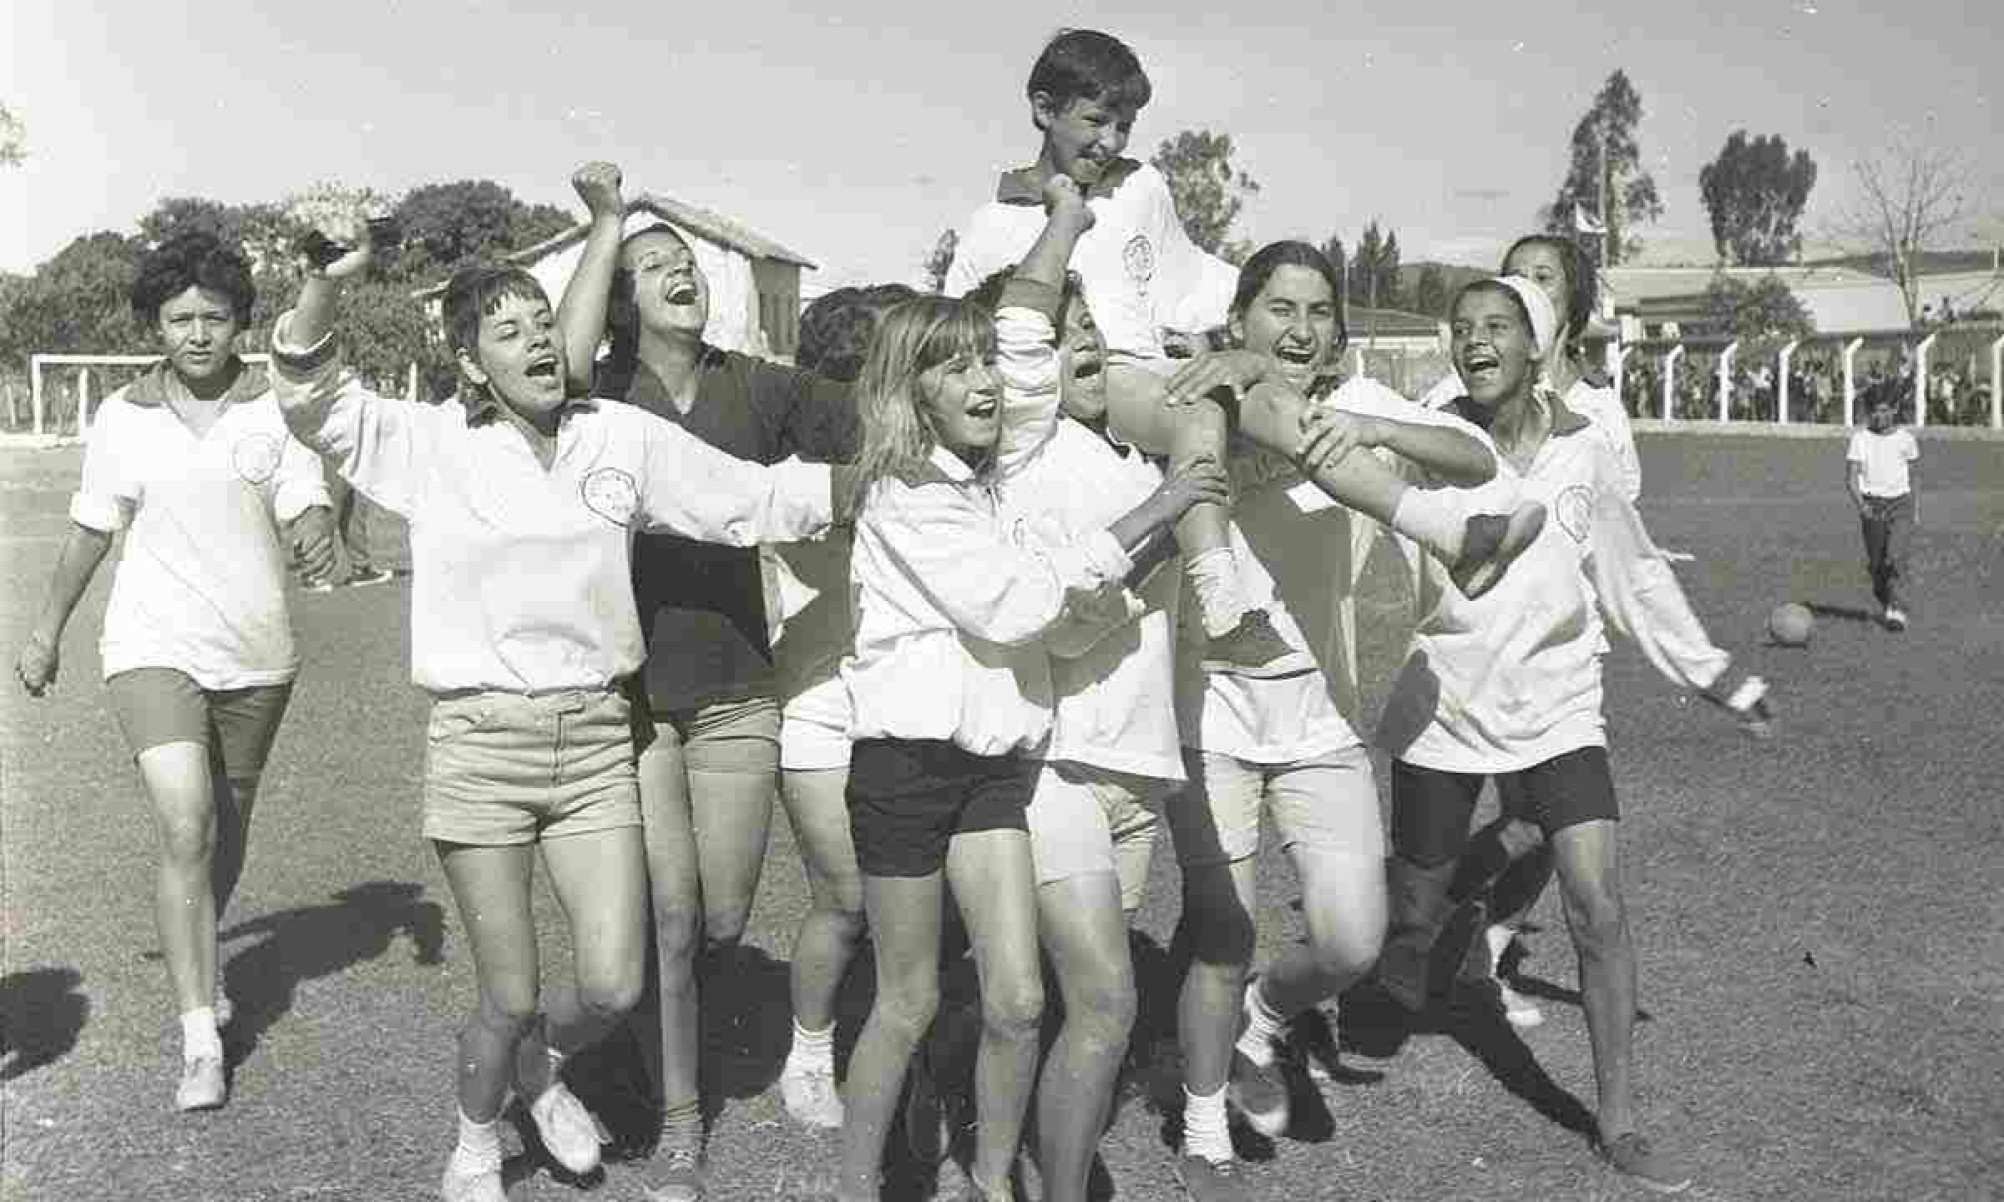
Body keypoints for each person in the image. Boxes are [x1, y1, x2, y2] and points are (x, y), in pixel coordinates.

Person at [266, 213, 847, 1202]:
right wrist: (318, 285)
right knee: (510, 988)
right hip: (480, 741)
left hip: (592, 741)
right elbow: (314, 401)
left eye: (543, 320)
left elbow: (748, 499)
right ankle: (477, 1136)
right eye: (508, 328)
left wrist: (882, 480)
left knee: (616, 982)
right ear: (468, 359)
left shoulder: (616, 436)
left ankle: (534, 1060)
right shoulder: (431, 445)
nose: (538, 338)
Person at [831, 200, 1231, 1199]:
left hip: (992, 775)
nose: (982, 383)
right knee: (908, 1000)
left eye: (985, 368)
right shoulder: (908, 496)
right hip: (903, 773)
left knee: (1016, 998)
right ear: (907, 389)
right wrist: (1164, 506)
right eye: (953, 368)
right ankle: (853, 1185)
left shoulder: (976, 484)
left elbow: (1023, 346)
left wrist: (1065, 223)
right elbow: (1020, 603)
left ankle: (996, 1173)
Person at [1375, 276, 1774, 1195]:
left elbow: (1632, 578)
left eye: (1499, 327)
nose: (1478, 341)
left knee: (1598, 905)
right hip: (1445, 706)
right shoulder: (1432, 435)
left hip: (1560, 708)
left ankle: (1620, 1121)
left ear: (1537, 345)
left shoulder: (1584, 450)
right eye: (1464, 328)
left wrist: (1716, 675)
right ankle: (1407, 954)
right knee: (1411, 907)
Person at [1144, 242, 1515, 1200]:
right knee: (1219, 931)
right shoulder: (1203, 399)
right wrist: (1243, 376)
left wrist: (1359, 422)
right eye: (1277, 309)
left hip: (1320, 722)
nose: (1299, 330)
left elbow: (1477, 456)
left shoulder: (1353, 413)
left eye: (1318, 313)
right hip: (1212, 715)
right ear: (1238, 321)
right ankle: (1199, 1130)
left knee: (1354, 940)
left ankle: (1264, 1021)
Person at [553, 163, 860, 1196]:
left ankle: (623, 1038)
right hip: (631, 699)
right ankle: (681, 1114)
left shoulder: (753, 386)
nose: (678, 273)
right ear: (624, 299)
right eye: (652, 266)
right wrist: (608, 228)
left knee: (722, 918)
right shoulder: (596, 396)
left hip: (736, 684)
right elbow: (563, 347)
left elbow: (854, 419)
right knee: (673, 917)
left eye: (686, 263)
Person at [12, 231, 336, 1113]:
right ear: (155, 324)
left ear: (241, 322)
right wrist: (45, 632)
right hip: (150, 646)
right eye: (179, 318)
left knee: (223, 834)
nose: (197, 333)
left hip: (257, 654)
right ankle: (200, 1034)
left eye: (215, 317)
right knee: (186, 824)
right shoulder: (123, 416)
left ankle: (200, 942)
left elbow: (304, 496)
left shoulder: (274, 407)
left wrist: (314, 528)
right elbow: (90, 526)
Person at [946, 28, 1304, 678]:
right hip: (1060, 415)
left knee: (1291, 412)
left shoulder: (1141, 188)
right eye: (1095, 120)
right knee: (1080, 626)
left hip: (1147, 389)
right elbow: (961, 342)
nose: (1109, 141)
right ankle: (1222, 605)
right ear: (1043, 108)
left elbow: (1192, 281)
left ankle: (1436, 525)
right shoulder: (992, 226)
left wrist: (1256, 348)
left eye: (1126, 125)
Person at [1405, 233, 1643, 1028]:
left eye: (1543, 279)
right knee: (1509, 829)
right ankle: (1446, 933)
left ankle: (1476, 943)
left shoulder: (1599, 413)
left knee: (1543, 827)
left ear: (1567, 305)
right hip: (1466, 667)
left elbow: (1616, 521)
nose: (1523, 289)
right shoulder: (1452, 407)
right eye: (1515, 277)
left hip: (1563, 662)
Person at [766, 281, 919, 1133]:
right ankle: (811, 1050)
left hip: (914, 701)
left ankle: (915, 1046)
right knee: (848, 899)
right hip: (822, 702)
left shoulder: (932, 459)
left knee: (925, 897)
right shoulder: (795, 469)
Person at [1846, 386, 1919, 631]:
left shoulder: (1906, 439)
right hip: (1873, 505)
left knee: (1895, 556)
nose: (1880, 417)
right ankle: (1884, 595)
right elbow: (1851, 477)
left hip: (1901, 504)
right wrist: (1861, 506)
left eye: (1885, 411)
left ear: (1894, 410)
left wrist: (1914, 508)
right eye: (1874, 412)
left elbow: (1914, 476)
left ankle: (1896, 610)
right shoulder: (1860, 439)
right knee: (1878, 564)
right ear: (1868, 413)